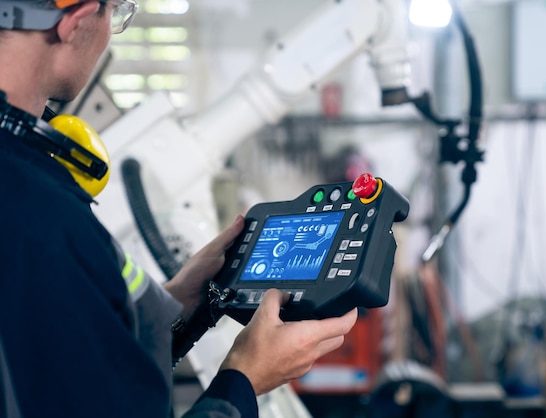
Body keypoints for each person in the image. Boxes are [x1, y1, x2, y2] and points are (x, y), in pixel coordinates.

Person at [0, 1, 358, 417]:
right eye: (115, 14)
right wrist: (243, 380)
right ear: (75, 22)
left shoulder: (31, 189)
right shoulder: (44, 217)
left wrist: (186, 305)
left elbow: (70, 354)